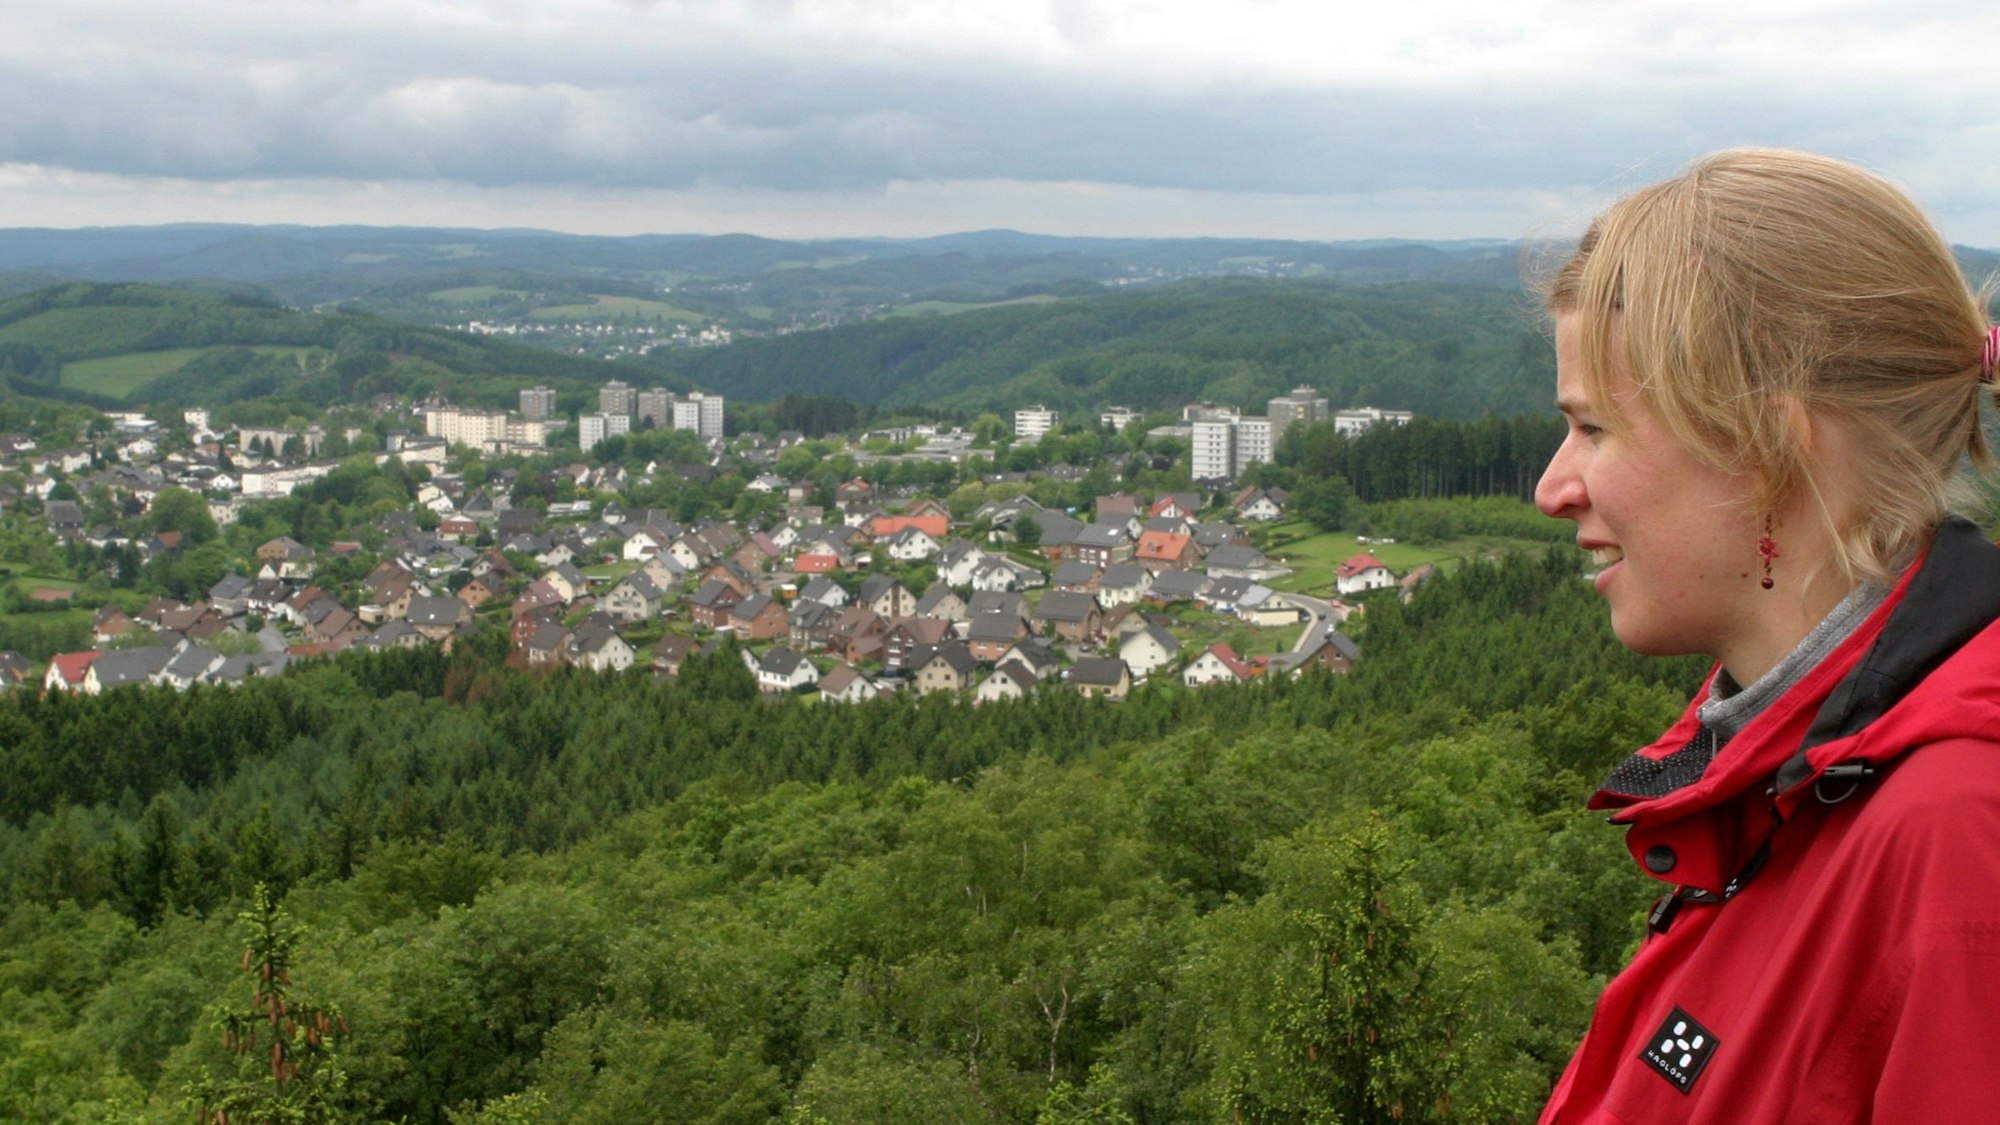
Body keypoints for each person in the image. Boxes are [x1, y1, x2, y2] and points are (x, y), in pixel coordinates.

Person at [1532, 148, 2000, 1123]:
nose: (1551, 488)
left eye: (1593, 429)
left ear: (1766, 449)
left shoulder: (1952, 836)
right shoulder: (1786, 778)